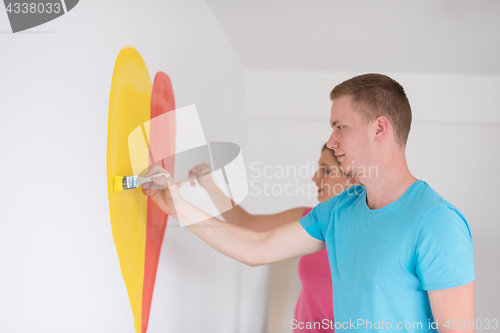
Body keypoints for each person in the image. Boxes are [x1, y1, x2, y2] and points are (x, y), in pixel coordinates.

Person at [143, 73, 475, 332]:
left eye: (340, 127)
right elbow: (257, 247)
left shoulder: (437, 222)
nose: (332, 140)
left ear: (379, 129)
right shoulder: (339, 211)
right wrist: (177, 206)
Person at [188, 144, 357, 332]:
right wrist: (209, 185)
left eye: (326, 170)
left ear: (352, 180)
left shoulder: (367, 237)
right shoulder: (310, 220)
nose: (315, 177)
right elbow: (245, 223)